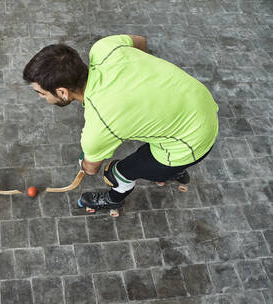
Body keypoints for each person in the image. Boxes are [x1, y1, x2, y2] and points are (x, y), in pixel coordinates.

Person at [23, 34, 218, 213]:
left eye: (41, 93)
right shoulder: (105, 48)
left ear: (62, 92)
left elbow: (91, 169)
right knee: (150, 149)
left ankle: (114, 199)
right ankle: (171, 172)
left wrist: (84, 161)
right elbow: (140, 41)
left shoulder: (100, 124)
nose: (41, 97)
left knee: (116, 172)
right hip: (201, 104)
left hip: (190, 143)